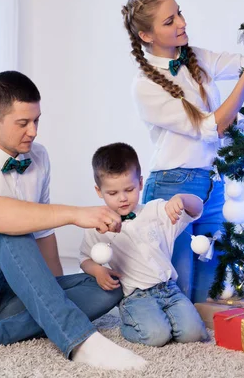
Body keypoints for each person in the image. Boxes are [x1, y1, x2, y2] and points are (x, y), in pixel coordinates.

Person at [0, 71, 146, 371]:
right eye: (23, 123)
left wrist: (49, 290)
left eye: (37, 120)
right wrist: (77, 214)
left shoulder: (39, 157)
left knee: (110, 285)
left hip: (7, 296)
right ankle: (79, 341)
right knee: (5, 227)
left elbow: (44, 233)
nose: (33, 131)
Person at [121, 0, 244, 303]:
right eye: (169, 21)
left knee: (208, 296)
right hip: (172, 188)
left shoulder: (197, 58)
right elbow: (213, 126)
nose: (181, 22)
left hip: (211, 185)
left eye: (179, 13)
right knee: (177, 294)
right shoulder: (145, 86)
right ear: (146, 36)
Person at [79, 142, 209, 347]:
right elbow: (85, 259)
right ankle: (129, 321)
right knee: (157, 336)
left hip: (170, 290)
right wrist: (97, 271)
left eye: (129, 189)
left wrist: (181, 198)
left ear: (140, 183)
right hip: (136, 296)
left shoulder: (156, 211)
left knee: (194, 334)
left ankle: (167, 320)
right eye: (112, 193)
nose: (122, 198)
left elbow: (197, 208)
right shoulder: (97, 225)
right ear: (99, 191)